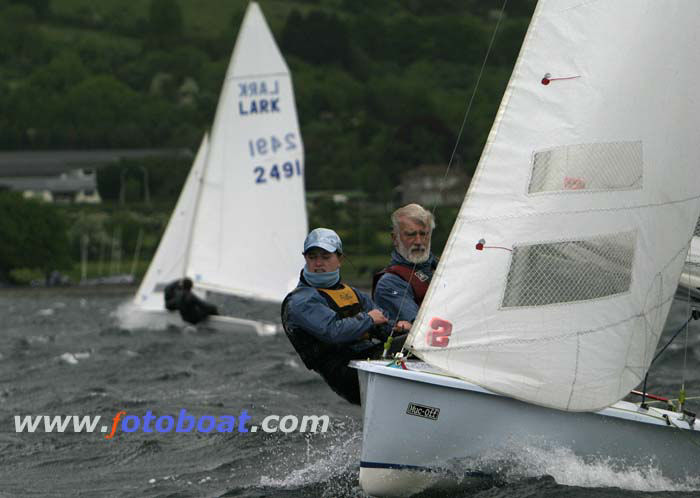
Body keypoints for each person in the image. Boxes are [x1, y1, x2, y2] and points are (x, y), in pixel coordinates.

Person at [282, 228, 410, 405]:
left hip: (368, 359)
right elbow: (333, 331)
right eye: (313, 257)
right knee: (411, 345)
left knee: (415, 340)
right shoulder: (300, 301)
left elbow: (383, 323)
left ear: (339, 259)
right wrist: (369, 319)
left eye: (325, 257)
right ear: (305, 258)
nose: (318, 263)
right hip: (344, 372)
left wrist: (398, 329)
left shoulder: (353, 293)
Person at [372, 204, 438, 326]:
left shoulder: (443, 267)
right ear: (395, 238)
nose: (418, 241)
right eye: (411, 234)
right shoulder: (389, 284)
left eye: (424, 234)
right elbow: (420, 328)